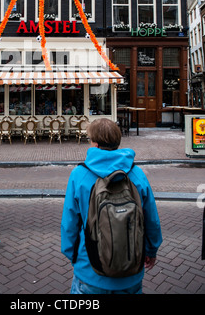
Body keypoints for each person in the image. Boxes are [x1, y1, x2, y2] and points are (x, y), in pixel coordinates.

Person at [61, 118, 162, 294]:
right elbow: (151, 219)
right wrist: (151, 250)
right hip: (131, 270)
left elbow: (69, 223)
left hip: (90, 270)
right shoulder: (136, 174)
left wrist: (74, 256)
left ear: (95, 143)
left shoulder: (79, 175)